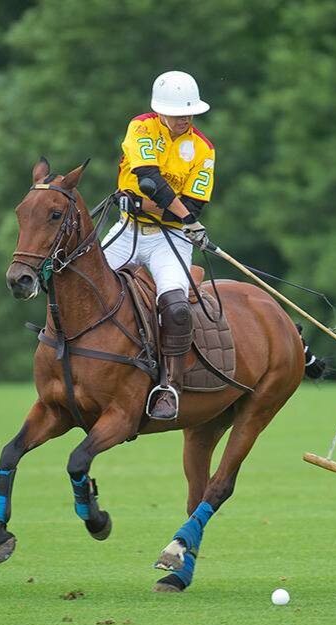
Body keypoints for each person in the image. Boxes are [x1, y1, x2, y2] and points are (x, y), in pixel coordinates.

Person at [102, 70, 216, 420]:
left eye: (189, 112)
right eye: (177, 112)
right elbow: (149, 180)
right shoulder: (141, 127)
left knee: (176, 306)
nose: (184, 118)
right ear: (159, 110)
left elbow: (193, 205)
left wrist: (183, 217)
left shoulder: (203, 149)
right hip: (127, 230)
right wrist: (181, 215)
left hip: (171, 240)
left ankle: (169, 385)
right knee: (81, 282)